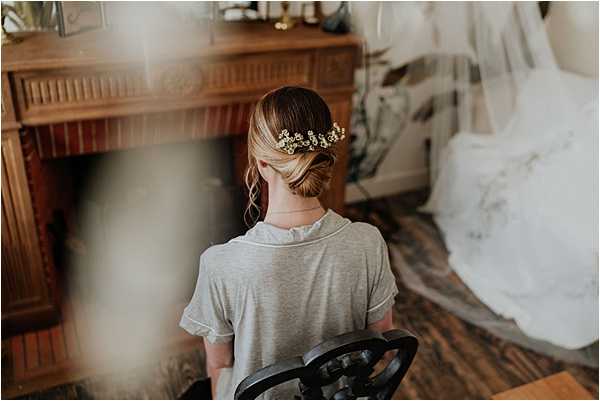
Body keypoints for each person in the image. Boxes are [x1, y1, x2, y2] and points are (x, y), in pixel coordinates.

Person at [180, 86, 398, 399]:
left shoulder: (221, 264)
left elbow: (219, 365)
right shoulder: (368, 243)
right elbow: (380, 344)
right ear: (325, 157)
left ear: (260, 162)